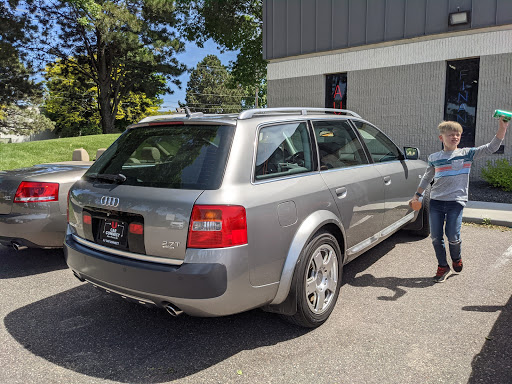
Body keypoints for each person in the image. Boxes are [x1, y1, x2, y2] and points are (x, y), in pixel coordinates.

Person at [410, 117, 509, 283]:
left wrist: (503, 127)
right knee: (435, 237)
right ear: (441, 138)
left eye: (458, 134)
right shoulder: (435, 157)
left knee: (453, 236)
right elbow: (427, 177)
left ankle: (456, 258)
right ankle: (443, 266)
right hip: (436, 202)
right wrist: (417, 195)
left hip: (456, 202)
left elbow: (492, 147)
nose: (455, 137)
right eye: (451, 134)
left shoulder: (467, 154)